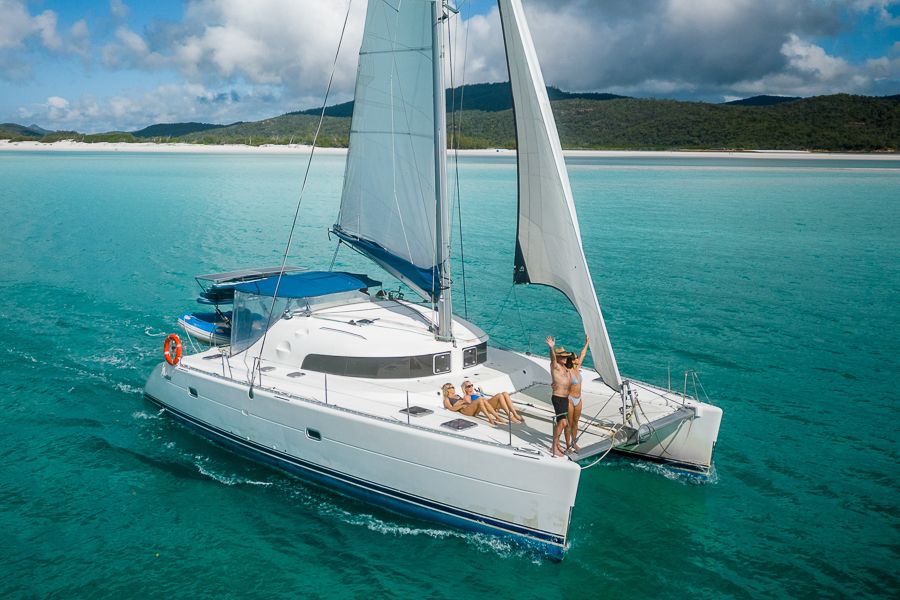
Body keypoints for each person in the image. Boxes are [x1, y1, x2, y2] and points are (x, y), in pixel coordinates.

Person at [546, 335, 572, 457]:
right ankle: (553, 446)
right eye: (563, 357)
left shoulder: (565, 368)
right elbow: (552, 359)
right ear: (558, 357)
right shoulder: (555, 366)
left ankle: (557, 445)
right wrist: (552, 348)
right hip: (558, 397)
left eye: (566, 357)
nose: (565, 359)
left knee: (563, 423)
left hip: (565, 399)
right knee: (562, 422)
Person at [565, 335, 589, 453]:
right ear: (572, 360)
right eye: (576, 358)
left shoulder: (577, 367)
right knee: (569, 423)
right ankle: (568, 445)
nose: (578, 358)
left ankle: (574, 443)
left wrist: (587, 342)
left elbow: (583, 354)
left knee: (576, 422)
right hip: (569, 399)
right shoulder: (567, 371)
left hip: (578, 399)